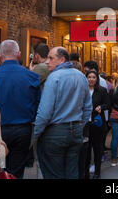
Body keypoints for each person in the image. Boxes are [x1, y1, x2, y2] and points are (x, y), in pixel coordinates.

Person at [33, 47, 92, 179]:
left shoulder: (54, 77)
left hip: (55, 132)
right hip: (75, 130)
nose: (47, 62)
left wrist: (35, 134)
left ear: (62, 59)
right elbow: (88, 106)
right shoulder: (81, 76)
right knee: (72, 171)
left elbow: (45, 112)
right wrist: (79, 125)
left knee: (54, 173)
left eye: (51, 58)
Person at [0, 40, 41, 179]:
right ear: (19, 54)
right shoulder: (32, 76)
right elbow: (38, 105)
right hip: (23, 130)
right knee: (16, 171)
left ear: (0, 56)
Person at [83, 70, 110, 179]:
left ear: (97, 79)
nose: (91, 79)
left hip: (97, 124)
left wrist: (101, 107)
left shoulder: (102, 91)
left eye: (93, 77)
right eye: (89, 77)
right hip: (86, 124)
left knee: (97, 149)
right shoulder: (83, 90)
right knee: (86, 149)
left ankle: (97, 172)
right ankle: (85, 172)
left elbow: (108, 104)